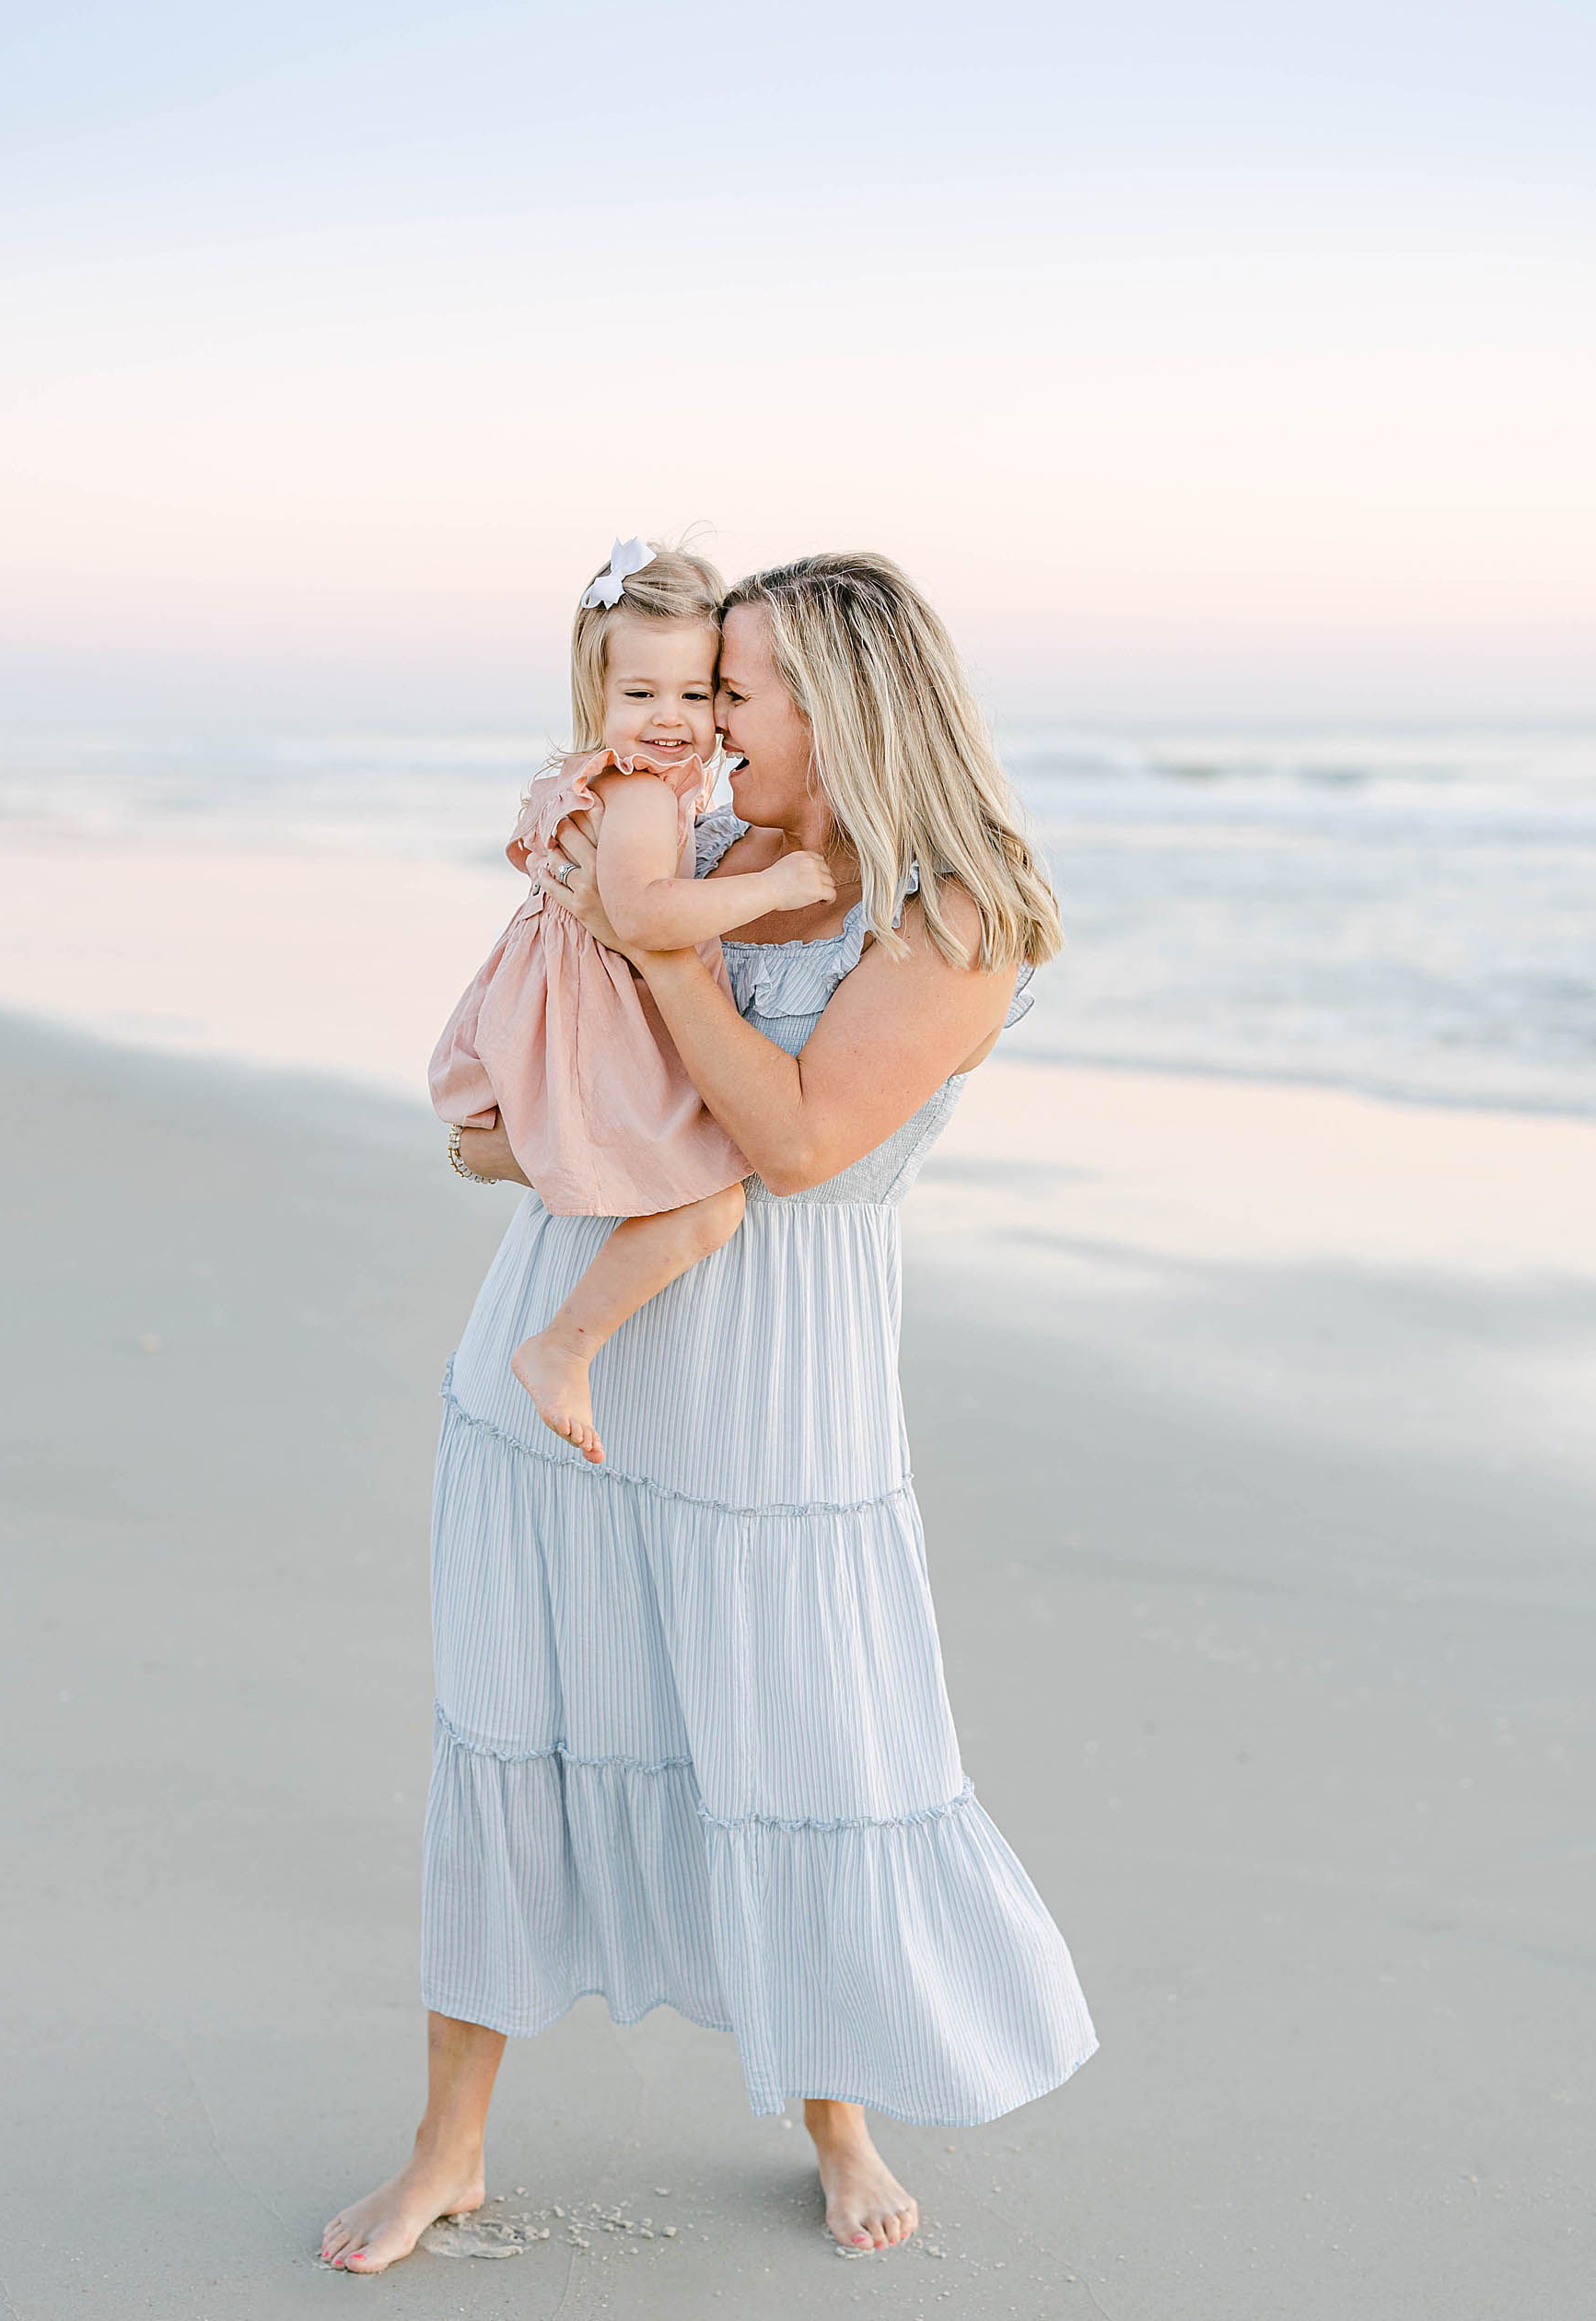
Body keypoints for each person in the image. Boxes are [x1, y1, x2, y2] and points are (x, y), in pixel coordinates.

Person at [321, 552, 1098, 2276]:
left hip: (781, 1390)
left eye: (736, 689)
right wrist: (544, 1092)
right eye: (695, 686)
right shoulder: (692, 846)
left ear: (841, 705)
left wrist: (653, 955)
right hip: (565, 1336)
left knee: (802, 1743)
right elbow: (524, 1111)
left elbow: (803, 1144)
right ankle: (449, 2144)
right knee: (512, 1733)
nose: (698, 718)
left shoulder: (953, 911)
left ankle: (836, 2113)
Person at [428, 537, 834, 1462]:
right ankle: (564, 1347)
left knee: (701, 1197)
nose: (674, 720)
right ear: (596, 693)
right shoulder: (647, 795)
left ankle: (559, 1339)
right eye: (641, 695)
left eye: (698, 694)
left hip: (559, 1012)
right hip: (598, 1024)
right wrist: (770, 890)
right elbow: (646, 915)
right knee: (712, 1205)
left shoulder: (595, 778)